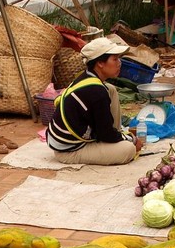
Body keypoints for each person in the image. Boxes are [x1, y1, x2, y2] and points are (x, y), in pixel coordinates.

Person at [46, 37, 142, 165]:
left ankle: (117, 135)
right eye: (114, 59)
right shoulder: (97, 92)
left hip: (63, 139)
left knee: (111, 89)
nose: (119, 63)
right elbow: (105, 134)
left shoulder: (87, 77)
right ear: (100, 63)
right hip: (69, 150)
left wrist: (119, 136)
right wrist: (132, 140)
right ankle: (118, 140)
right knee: (128, 149)